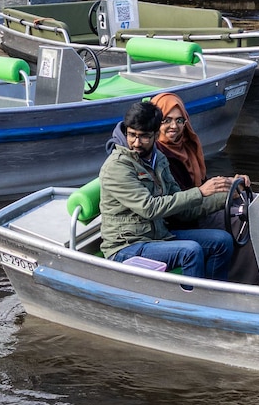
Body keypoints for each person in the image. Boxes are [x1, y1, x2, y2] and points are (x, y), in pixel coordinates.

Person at [98, 101, 238, 278]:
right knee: (190, 251)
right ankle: (190, 304)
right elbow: (150, 208)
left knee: (222, 241)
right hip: (125, 247)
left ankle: (213, 296)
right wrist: (200, 191)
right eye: (132, 135)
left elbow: (182, 211)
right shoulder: (117, 166)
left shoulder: (159, 159)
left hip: (157, 238)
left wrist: (227, 195)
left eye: (144, 136)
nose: (136, 142)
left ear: (156, 134)